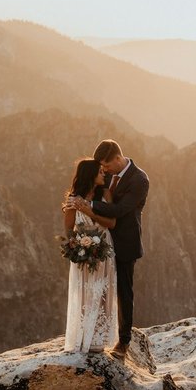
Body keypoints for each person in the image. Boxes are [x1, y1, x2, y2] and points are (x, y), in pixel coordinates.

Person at [68, 140, 149, 360]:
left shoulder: (139, 180)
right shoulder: (107, 175)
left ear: (117, 158)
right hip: (99, 241)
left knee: (124, 291)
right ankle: (92, 335)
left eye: (106, 165)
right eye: (101, 168)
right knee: (96, 289)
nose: (103, 170)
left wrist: (88, 205)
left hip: (124, 242)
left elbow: (121, 209)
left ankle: (123, 342)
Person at [62, 158, 118, 354]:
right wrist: (78, 247)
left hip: (104, 248)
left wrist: (89, 212)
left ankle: (98, 338)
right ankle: (83, 336)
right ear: (91, 175)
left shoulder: (106, 194)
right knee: (85, 291)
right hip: (84, 252)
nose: (104, 174)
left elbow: (111, 223)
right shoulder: (72, 199)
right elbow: (69, 228)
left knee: (103, 290)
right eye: (100, 172)